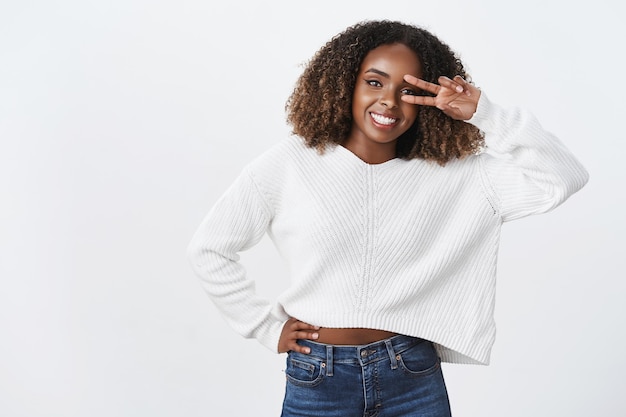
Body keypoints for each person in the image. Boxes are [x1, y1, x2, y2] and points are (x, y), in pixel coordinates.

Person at [187, 20, 588, 417]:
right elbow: (210, 249)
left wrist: (485, 113)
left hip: (411, 374)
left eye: (409, 90)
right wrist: (264, 326)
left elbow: (563, 177)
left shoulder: (460, 174)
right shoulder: (290, 164)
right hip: (317, 376)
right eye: (375, 82)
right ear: (346, 83)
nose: (390, 102)